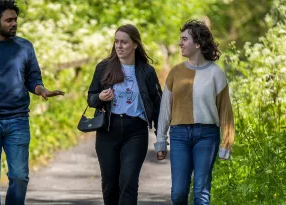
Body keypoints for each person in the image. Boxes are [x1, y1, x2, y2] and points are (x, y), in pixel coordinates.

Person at [0, 1, 64, 204]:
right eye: (9, 20)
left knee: (19, 176)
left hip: (17, 120)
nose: (14, 23)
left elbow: (33, 79)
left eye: (15, 19)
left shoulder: (25, 47)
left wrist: (41, 90)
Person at [154, 19, 235, 204]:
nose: (180, 43)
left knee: (201, 191)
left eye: (184, 39)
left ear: (198, 43)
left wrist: (227, 143)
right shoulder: (175, 72)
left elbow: (226, 113)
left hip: (207, 136)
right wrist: (160, 141)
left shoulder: (216, 74)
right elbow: (165, 109)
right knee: (178, 193)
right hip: (179, 135)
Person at [87, 24, 162, 205]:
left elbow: (158, 105)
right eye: (116, 42)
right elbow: (91, 98)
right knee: (110, 185)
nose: (119, 46)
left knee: (128, 181)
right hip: (108, 131)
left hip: (135, 131)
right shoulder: (104, 67)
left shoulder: (147, 71)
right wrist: (100, 97)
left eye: (124, 42)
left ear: (135, 44)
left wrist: (161, 139)